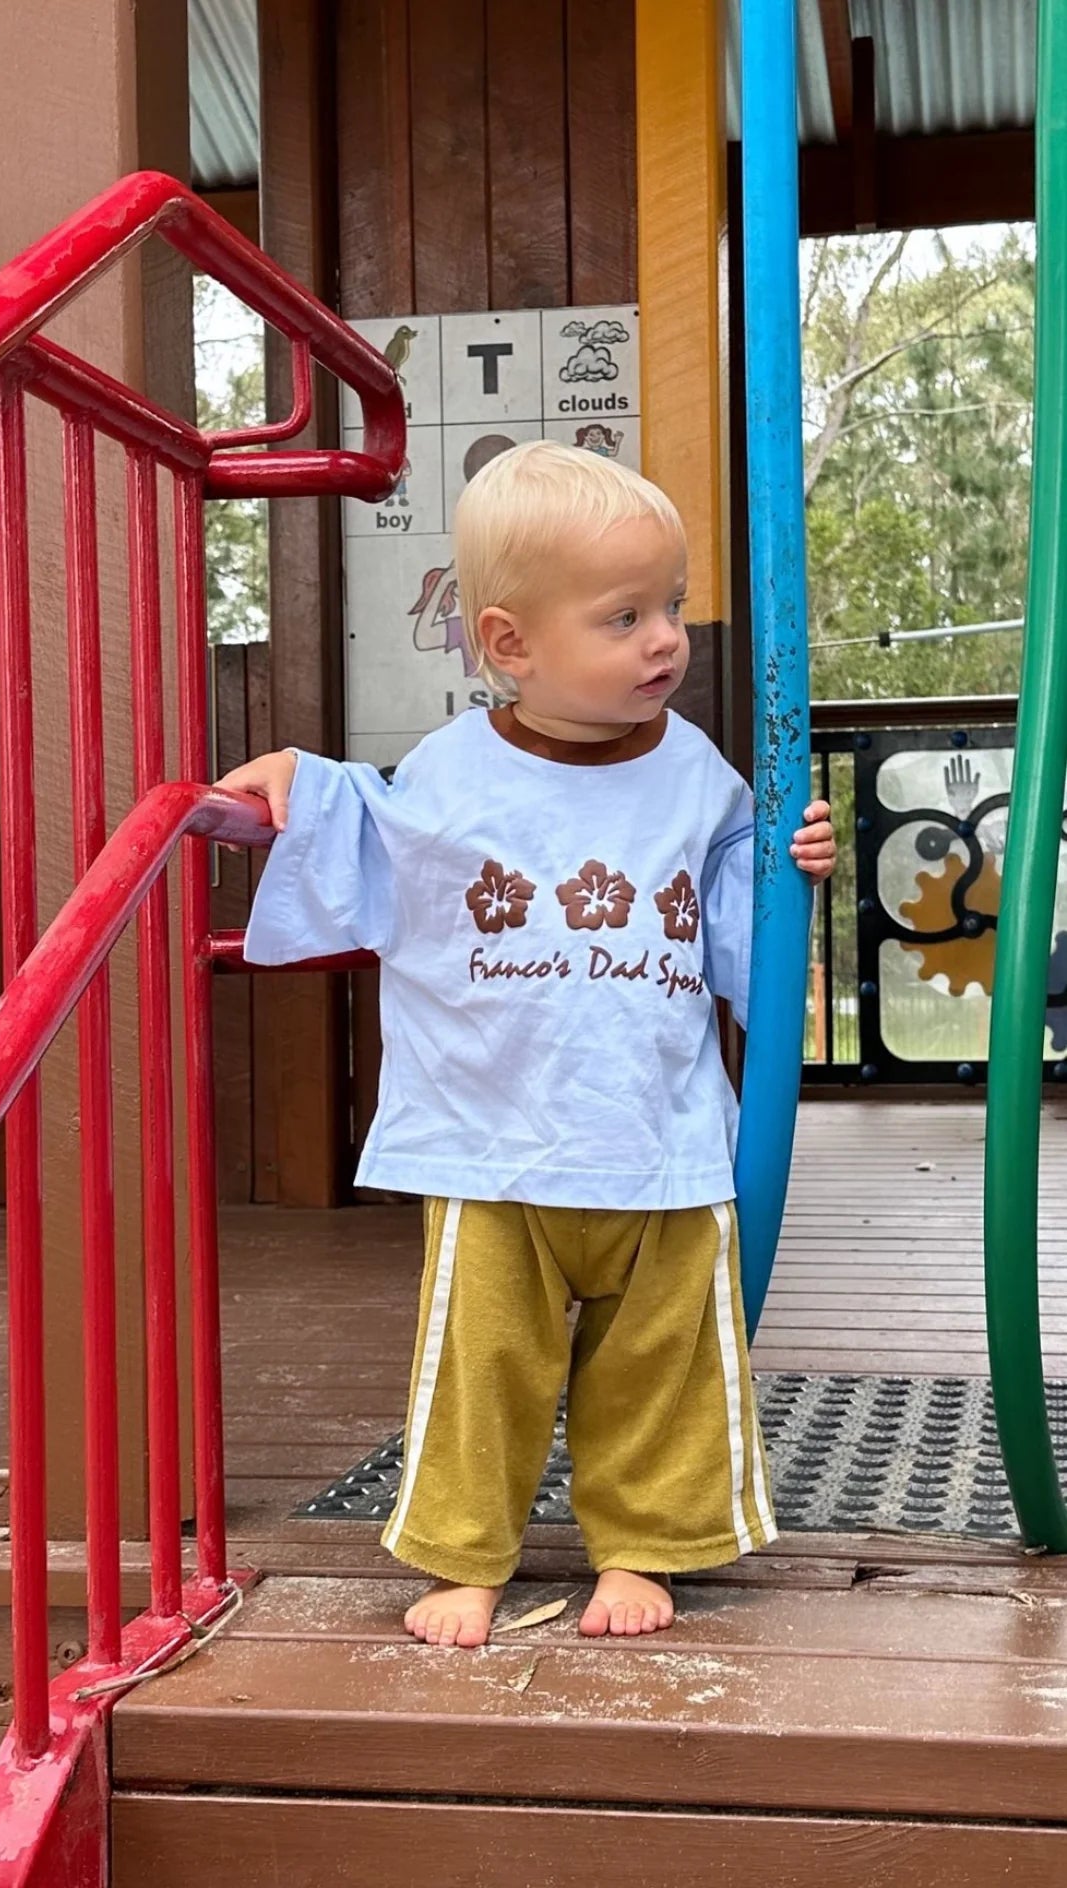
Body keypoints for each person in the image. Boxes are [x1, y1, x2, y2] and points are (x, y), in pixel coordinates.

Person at [217, 442, 836, 1650]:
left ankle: (646, 1545)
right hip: (496, 1140)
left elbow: (737, 940)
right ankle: (462, 1550)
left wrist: (784, 872)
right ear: (511, 645)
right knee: (478, 1361)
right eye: (623, 616)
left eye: (669, 604)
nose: (665, 638)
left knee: (663, 1363)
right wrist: (306, 779)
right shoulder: (456, 774)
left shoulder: (700, 776)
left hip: (658, 1135)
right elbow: (379, 832)